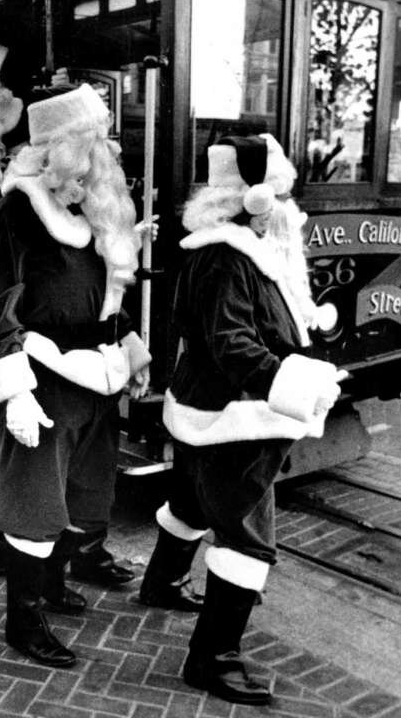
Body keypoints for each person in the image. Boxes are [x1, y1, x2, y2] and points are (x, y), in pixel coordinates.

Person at [160, 134, 343, 705]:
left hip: (208, 407)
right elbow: (232, 343)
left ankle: (161, 582)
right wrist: (298, 383)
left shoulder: (226, 249)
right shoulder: (228, 254)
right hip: (238, 414)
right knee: (247, 537)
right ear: (256, 198)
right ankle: (212, 660)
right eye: (281, 193)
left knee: (191, 501)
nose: (288, 206)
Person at [0, 85, 151, 668]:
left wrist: (132, 351)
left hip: (96, 378)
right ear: (52, 157)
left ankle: (50, 586)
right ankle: (23, 621)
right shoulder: (18, 210)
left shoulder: (91, 208)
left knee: (82, 492)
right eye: (81, 167)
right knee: (35, 499)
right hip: (46, 375)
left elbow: (107, 294)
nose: (88, 181)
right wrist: (16, 391)